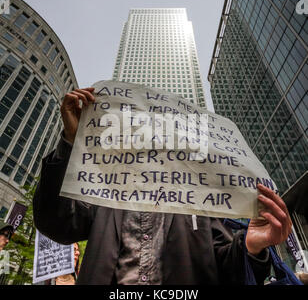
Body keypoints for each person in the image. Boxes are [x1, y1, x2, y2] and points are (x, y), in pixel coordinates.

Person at [33, 87, 293, 285]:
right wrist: (71, 142)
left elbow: (227, 270)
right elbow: (56, 223)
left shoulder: (200, 203)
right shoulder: (105, 194)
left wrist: (251, 247)